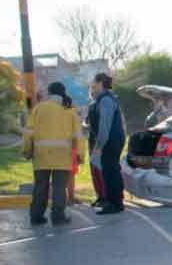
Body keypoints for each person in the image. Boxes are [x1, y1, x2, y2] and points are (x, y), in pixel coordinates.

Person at [24, 82, 82, 226]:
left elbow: (28, 132)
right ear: (63, 93)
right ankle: (58, 217)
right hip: (63, 156)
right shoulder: (69, 110)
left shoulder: (39, 108)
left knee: (40, 186)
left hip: (41, 155)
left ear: (49, 93)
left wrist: (26, 150)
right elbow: (78, 135)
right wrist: (80, 154)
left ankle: (36, 216)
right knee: (59, 187)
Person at [89, 73, 126, 215]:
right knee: (112, 170)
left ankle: (114, 203)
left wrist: (98, 147)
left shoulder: (105, 101)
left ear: (100, 83)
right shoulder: (106, 99)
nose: (92, 86)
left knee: (110, 171)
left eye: (94, 83)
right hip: (114, 139)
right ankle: (116, 201)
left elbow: (104, 126)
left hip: (110, 141)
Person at [85, 88, 105, 207]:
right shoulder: (92, 106)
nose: (92, 93)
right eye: (91, 91)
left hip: (99, 142)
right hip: (92, 141)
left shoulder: (103, 105)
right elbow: (89, 123)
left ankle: (104, 196)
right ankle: (100, 196)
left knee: (100, 170)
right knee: (94, 170)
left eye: (94, 91)